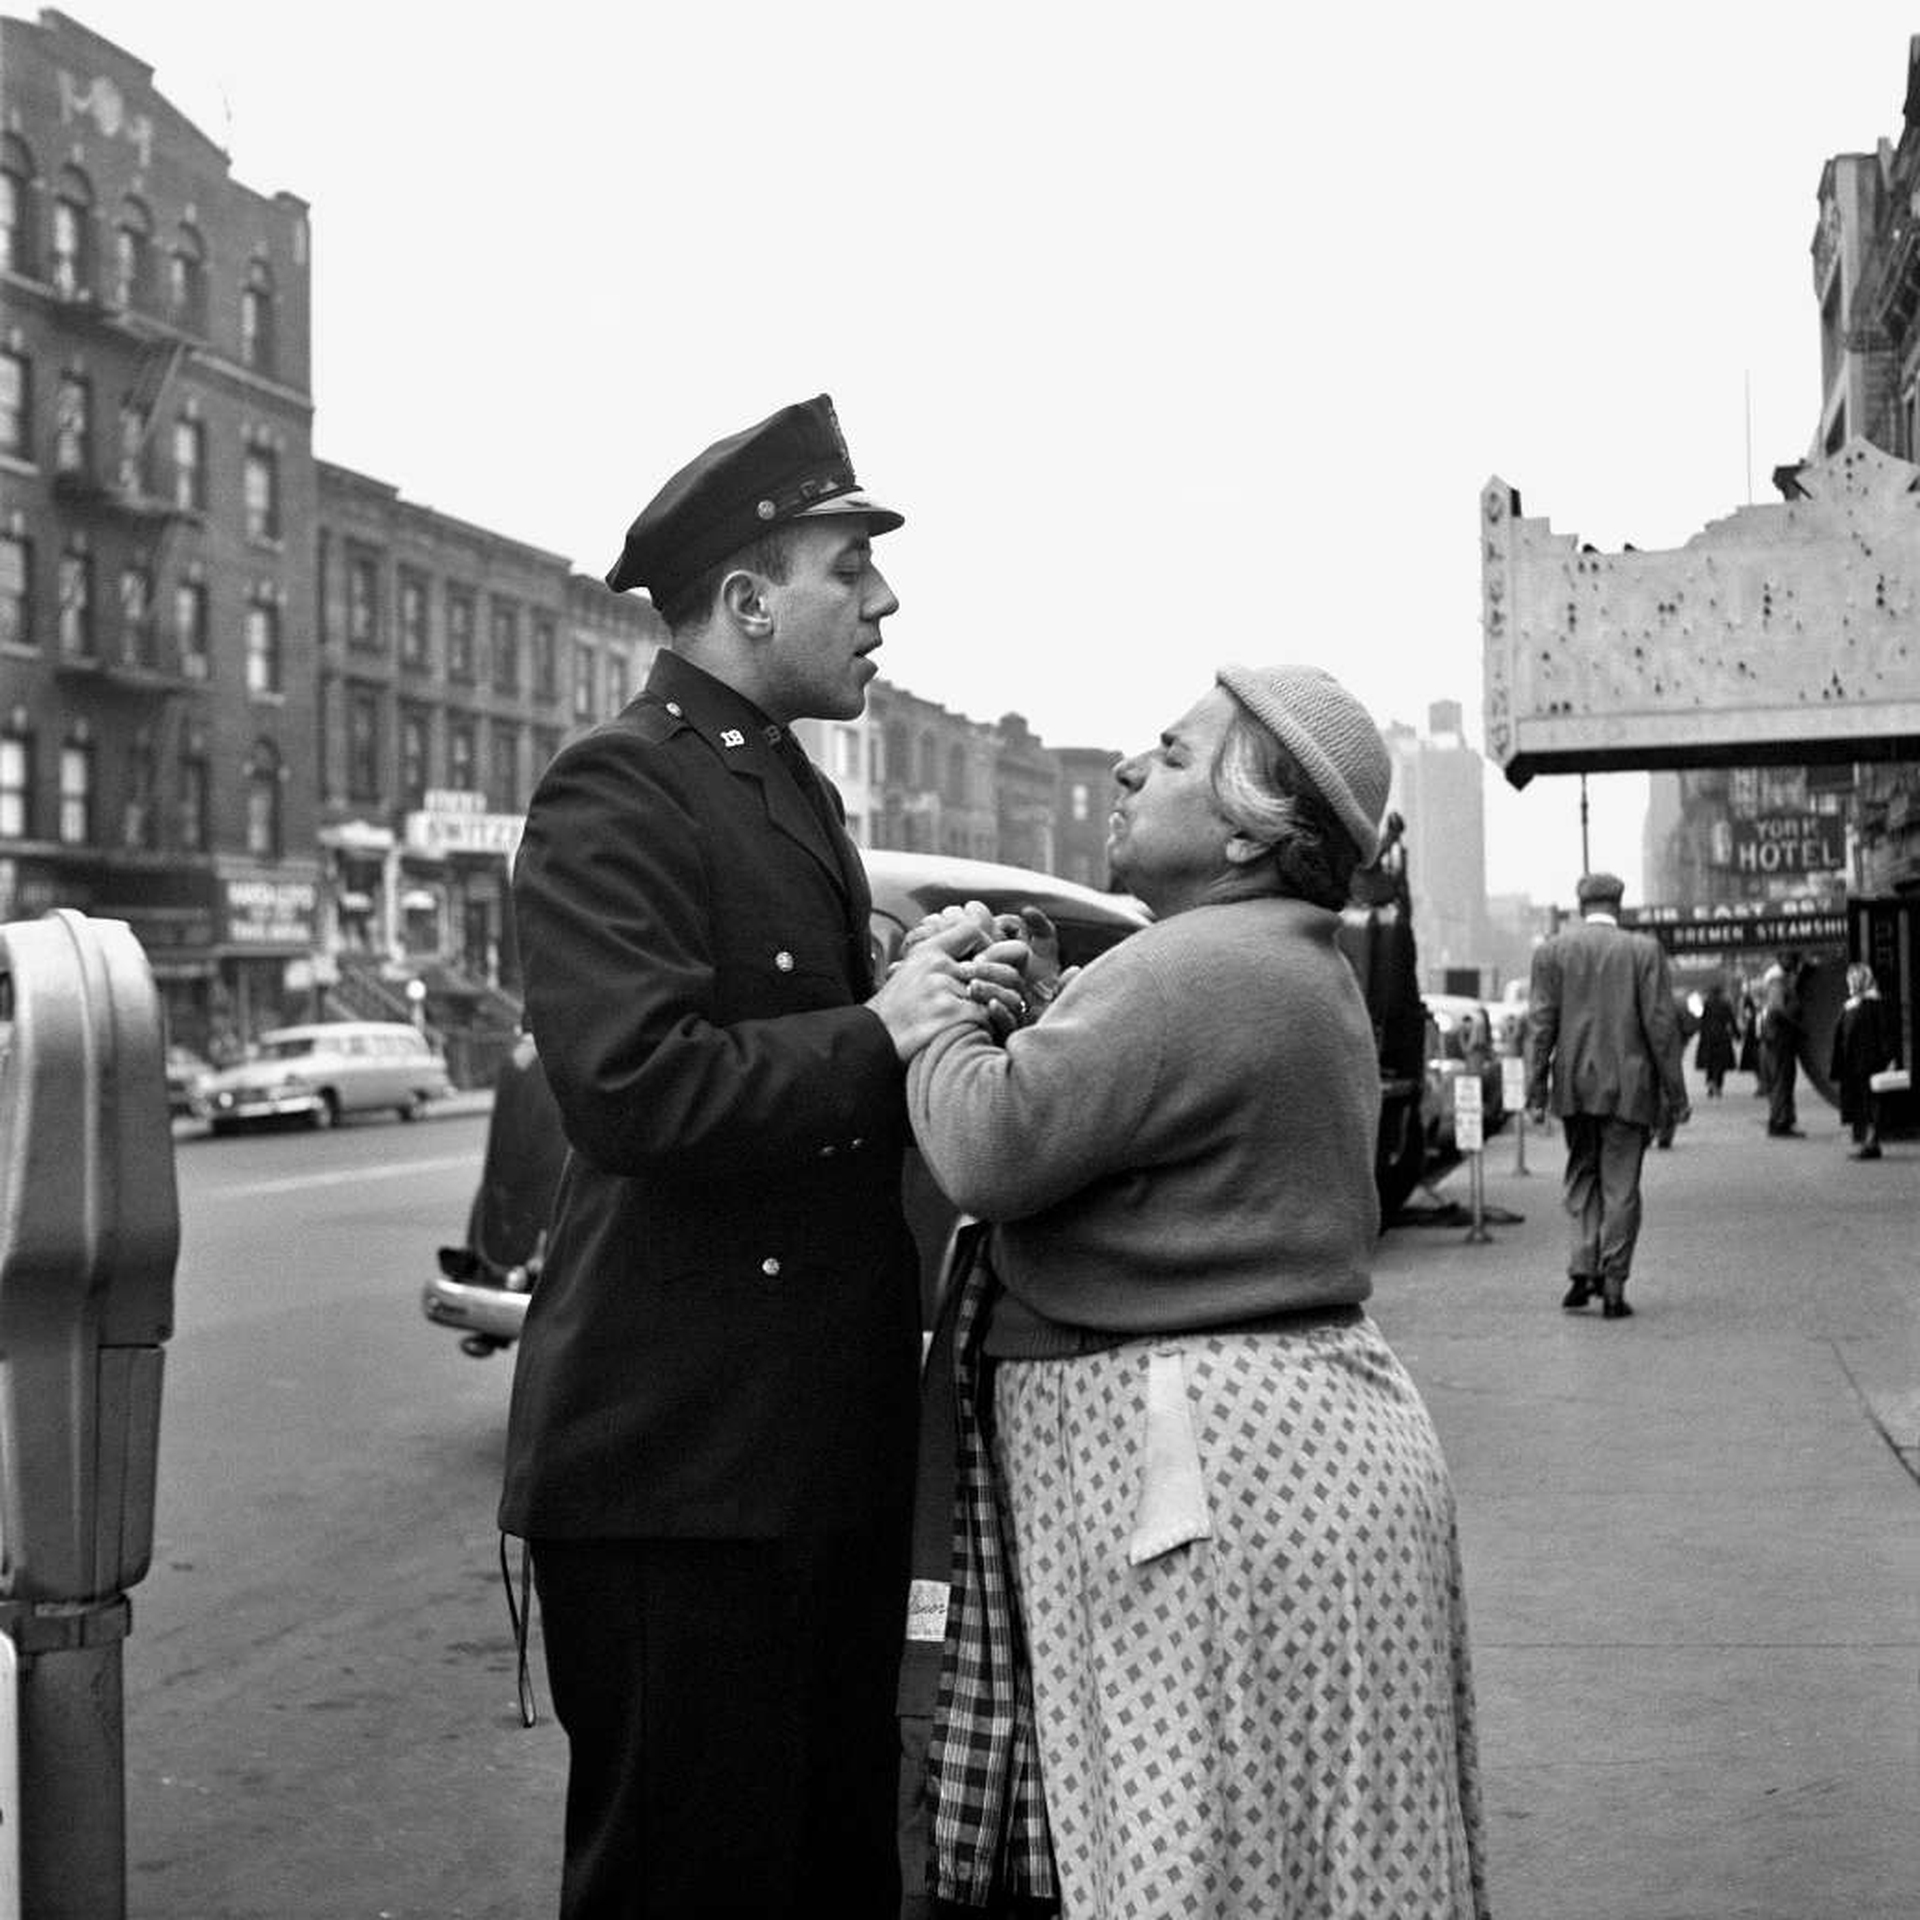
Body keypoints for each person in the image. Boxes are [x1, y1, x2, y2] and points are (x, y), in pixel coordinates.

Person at [499, 394, 1016, 1919]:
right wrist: (881, 1026)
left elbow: (800, 1041)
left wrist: (934, 994)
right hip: (682, 1473)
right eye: (849, 570)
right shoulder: (620, 782)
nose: (884, 602)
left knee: (827, 1868)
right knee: (691, 1882)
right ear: (746, 599)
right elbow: (633, 1087)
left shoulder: (785, 784)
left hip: (804, 1454)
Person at [907, 667, 1489, 1919]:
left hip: (1196, 1480)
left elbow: (987, 1149)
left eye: (1171, 756)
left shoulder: (1184, 969)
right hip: (1296, 1456)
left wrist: (930, 1012)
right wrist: (1059, 1011)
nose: (1129, 768)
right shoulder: (1280, 958)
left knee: (1195, 1843)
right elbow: (1158, 1126)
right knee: (1312, 1844)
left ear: (1246, 834)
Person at [1525, 871, 1690, 1319]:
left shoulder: (1552, 952)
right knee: (1621, 1185)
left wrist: (1535, 1089)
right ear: (1619, 906)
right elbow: (1661, 1028)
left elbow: (1540, 1026)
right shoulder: (1644, 951)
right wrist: (1676, 1094)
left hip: (1575, 1085)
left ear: (1581, 907)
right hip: (1630, 1088)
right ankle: (1614, 1285)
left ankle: (1582, 1268)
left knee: (1582, 1173)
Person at [1828, 961, 1897, 1160]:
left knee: (1871, 1104)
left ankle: (1871, 1143)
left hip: (1870, 1063)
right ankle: (1868, 1142)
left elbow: (1885, 1033)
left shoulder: (1875, 1004)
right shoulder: (1851, 1004)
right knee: (1861, 1104)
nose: (1851, 983)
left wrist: (1890, 1059)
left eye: (1854, 980)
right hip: (1854, 1065)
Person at [1759, 951, 1805, 1137]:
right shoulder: (1777, 980)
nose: (1795, 963)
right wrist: (1798, 1027)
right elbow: (1776, 1009)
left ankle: (1783, 1120)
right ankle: (1779, 1122)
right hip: (1778, 1038)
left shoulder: (1782, 978)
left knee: (1783, 1079)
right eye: (1792, 959)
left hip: (1779, 1037)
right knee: (1781, 1080)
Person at [1694, 981, 1738, 1098]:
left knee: (1710, 1062)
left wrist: (1701, 1034)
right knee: (1720, 1062)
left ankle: (1710, 1083)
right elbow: (1731, 1020)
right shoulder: (1725, 1004)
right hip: (1722, 1036)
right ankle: (1718, 1085)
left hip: (1708, 1036)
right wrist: (1737, 1034)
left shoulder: (1707, 1004)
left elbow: (1703, 1021)